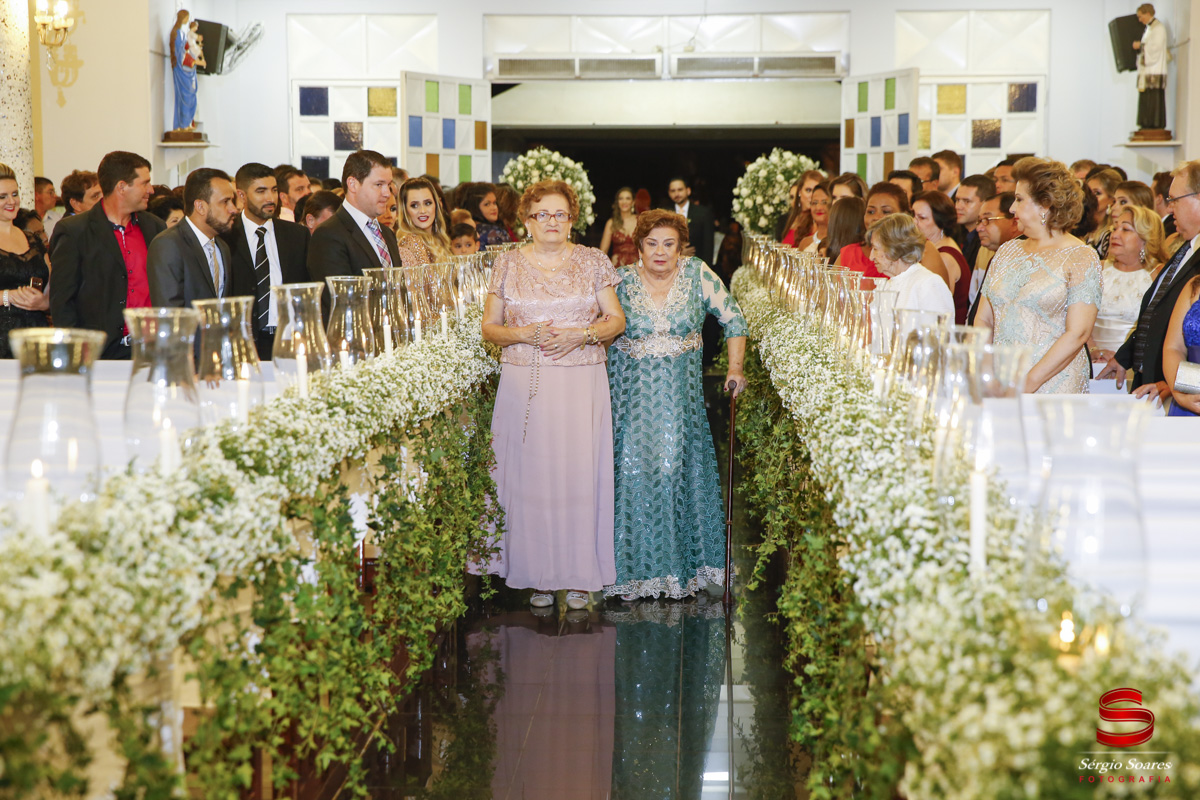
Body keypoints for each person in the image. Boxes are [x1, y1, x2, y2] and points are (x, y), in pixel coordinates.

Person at [480, 179, 627, 611]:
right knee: (531, 475)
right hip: (524, 381)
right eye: (543, 214)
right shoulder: (506, 264)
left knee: (579, 472)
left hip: (581, 382)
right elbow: (489, 328)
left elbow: (615, 320)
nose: (552, 222)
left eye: (560, 214)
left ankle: (579, 574)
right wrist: (521, 333)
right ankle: (537, 572)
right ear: (526, 220)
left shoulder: (594, 261)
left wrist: (583, 334)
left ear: (572, 220)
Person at [605, 209, 746, 601]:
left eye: (669, 244)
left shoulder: (698, 273)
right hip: (630, 403)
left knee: (673, 473)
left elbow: (734, 319)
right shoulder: (619, 280)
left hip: (680, 404)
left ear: (681, 246)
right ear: (639, 247)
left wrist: (735, 367)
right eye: (652, 244)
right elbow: (598, 328)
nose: (661, 252)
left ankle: (686, 569)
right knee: (632, 476)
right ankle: (628, 572)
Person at [975, 157, 1100, 394]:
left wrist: (1028, 382)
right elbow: (984, 319)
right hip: (1003, 379)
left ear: (1045, 205)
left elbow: (1078, 332)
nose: (1012, 208)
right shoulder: (1007, 250)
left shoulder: (1081, 256)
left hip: (1054, 382)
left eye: (1020, 199)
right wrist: (986, 371)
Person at [1099, 160, 1200, 401]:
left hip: (1178, 389)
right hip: (1154, 380)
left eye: (1175, 199)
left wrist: (1174, 382)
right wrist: (1125, 357)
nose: (1169, 208)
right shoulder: (1186, 248)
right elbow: (1156, 312)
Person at [50, 151, 165, 359]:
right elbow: (62, 302)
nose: (151, 189)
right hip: (98, 352)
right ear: (121, 187)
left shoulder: (154, 226)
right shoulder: (75, 231)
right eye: (145, 183)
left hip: (151, 348)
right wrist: (75, 354)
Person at [222, 163, 311, 361]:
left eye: (274, 190)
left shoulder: (297, 236)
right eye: (261, 191)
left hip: (288, 340)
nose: (270, 198)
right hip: (243, 340)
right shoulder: (226, 237)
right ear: (242, 195)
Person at [147, 168, 236, 308]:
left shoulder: (222, 247)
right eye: (225, 201)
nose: (234, 209)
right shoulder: (168, 244)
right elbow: (170, 313)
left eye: (232, 201)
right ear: (200, 206)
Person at [307, 150, 400, 283]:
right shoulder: (329, 235)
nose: (387, 193)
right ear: (353, 184)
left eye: (389, 185)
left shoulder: (387, 234)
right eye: (379, 185)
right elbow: (340, 297)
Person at [1090, 206, 1161, 361]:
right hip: (1094, 361)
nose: (1115, 235)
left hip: (1135, 365)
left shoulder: (1158, 275)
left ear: (1145, 239)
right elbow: (1077, 318)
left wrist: (1124, 359)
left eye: (1126, 230)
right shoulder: (1097, 268)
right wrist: (1094, 350)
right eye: (1114, 228)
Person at [0, 164, 51, 356]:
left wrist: (44, 303)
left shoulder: (33, 238)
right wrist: (9, 296)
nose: (11, 201)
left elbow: (53, 287)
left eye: (14, 194)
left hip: (37, 337)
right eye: (2, 197)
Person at [867, 213, 954, 318]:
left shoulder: (928, 284)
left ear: (895, 249)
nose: (871, 257)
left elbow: (939, 332)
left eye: (875, 249)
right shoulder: (886, 285)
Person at [913, 191, 971, 323]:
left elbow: (936, 307)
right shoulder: (939, 248)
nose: (914, 222)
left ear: (941, 223)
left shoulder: (944, 256)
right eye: (913, 215)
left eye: (922, 218)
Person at [966, 191, 1020, 324]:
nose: (979, 228)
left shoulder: (1022, 258)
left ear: (1014, 221)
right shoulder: (986, 253)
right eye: (979, 221)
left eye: (987, 220)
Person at [396, 176, 453, 267]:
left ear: (437, 205)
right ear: (405, 210)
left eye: (427, 203)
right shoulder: (411, 241)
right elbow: (427, 281)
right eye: (414, 205)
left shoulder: (438, 239)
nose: (422, 210)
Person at [1133, 3, 1168, 131]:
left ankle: (1155, 124)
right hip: (1147, 70)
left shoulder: (1158, 28)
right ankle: (1146, 123)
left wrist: (1141, 46)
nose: (1139, 20)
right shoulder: (1149, 29)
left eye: (1141, 16)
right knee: (1146, 98)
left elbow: (1155, 48)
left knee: (1154, 98)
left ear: (1148, 14)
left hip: (1155, 70)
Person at [829, 197, 883, 278]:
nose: (877, 217)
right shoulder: (848, 253)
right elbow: (832, 287)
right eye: (871, 212)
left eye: (886, 212)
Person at [667, 177, 714, 265]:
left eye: (680, 190)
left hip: (696, 265)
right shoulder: (665, 214)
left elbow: (708, 246)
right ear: (669, 193)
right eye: (673, 191)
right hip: (670, 266)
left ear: (688, 191)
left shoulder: (703, 213)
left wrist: (705, 271)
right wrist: (678, 253)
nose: (676, 194)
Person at [955, 174, 996, 271]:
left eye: (966, 201)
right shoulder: (954, 232)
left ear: (985, 203)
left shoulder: (990, 239)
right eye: (957, 200)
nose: (958, 206)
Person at [457, 182, 513, 249]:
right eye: (487, 204)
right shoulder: (495, 233)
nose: (494, 208)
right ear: (475, 207)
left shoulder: (464, 229)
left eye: (494, 203)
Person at [169, 10, 198, 131]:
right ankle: (182, 124)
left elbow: (184, 47)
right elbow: (178, 51)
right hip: (180, 68)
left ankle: (186, 123)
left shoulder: (181, 32)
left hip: (185, 68)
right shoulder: (175, 32)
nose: (187, 20)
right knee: (184, 96)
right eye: (186, 18)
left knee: (191, 95)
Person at [1084, 168, 1121, 259]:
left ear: (1112, 200)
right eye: (1088, 192)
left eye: (1097, 193)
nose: (1090, 197)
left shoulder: (1111, 234)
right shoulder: (1082, 229)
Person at [599, 187, 639, 267]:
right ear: (617, 202)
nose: (624, 202)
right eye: (621, 199)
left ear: (633, 202)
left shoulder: (640, 221)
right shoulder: (611, 223)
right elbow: (603, 252)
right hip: (617, 270)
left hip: (638, 269)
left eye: (628, 198)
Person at [792, 182, 830, 251]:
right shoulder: (805, 243)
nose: (818, 208)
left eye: (824, 202)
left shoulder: (839, 243)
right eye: (814, 203)